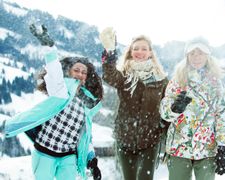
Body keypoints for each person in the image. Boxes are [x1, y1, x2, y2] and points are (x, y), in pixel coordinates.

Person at [3, 24, 103, 180]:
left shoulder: (87, 103)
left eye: (84, 72)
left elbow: (85, 136)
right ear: (69, 71)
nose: (80, 74)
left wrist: (92, 160)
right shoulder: (60, 90)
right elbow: (54, 69)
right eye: (76, 70)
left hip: (68, 156)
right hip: (44, 153)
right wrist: (49, 46)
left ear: (87, 77)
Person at [99, 27, 169, 180]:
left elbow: (167, 109)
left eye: (144, 48)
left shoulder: (161, 80)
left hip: (150, 140)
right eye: (135, 48)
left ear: (150, 53)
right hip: (125, 138)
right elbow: (109, 75)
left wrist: (166, 134)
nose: (140, 51)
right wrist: (110, 52)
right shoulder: (124, 76)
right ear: (130, 52)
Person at [159, 37, 225, 180]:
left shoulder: (217, 84)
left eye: (200, 53)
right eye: (192, 53)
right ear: (186, 56)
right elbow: (164, 113)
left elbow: (223, 116)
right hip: (179, 147)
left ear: (207, 55)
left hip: (207, 149)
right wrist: (174, 109)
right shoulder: (177, 81)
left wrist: (223, 146)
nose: (196, 57)